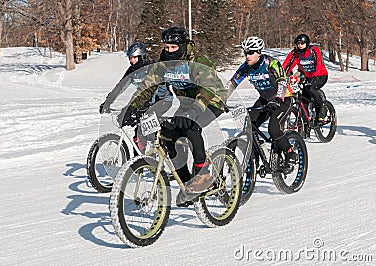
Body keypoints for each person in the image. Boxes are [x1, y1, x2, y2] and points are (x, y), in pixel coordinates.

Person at [118, 26, 227, 206]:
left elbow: (206, 89)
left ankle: (204, 175)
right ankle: (187, 185)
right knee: (168, 135)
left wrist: (194, 111)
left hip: (211, 101)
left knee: (191, 129)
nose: (169, 52)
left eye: (173, 48)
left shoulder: (199, 62)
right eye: (166, 47)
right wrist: (131, 108)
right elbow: (147, 86)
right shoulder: (163, 65)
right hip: (186, 104)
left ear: (183, 46)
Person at [226, 36, 297, 172]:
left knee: (274, 129)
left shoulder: (271, 63)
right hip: (264, 99)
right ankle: (257, 157)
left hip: (283, 99)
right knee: (249, 127)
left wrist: (278, 99)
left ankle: (290, 153)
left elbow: (282, 82)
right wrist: (220, 101)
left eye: (251, 52)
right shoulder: (246, 67)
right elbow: (232, 84)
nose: (247, 56)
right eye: (245, 52)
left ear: (259, 52)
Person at [282, 34, 328, 122]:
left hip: (320, 75)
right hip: (306, 76)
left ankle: (322, 107)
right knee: (302, 98)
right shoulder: (295, 53)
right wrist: (282, 76)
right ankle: (305, 123)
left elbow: (318, 63)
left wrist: (315, 76)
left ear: (307, 43)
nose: (300, 45)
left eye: (302, 43)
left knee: (310, 88)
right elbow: (287, 64)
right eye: (298, 43)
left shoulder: (313, 50)